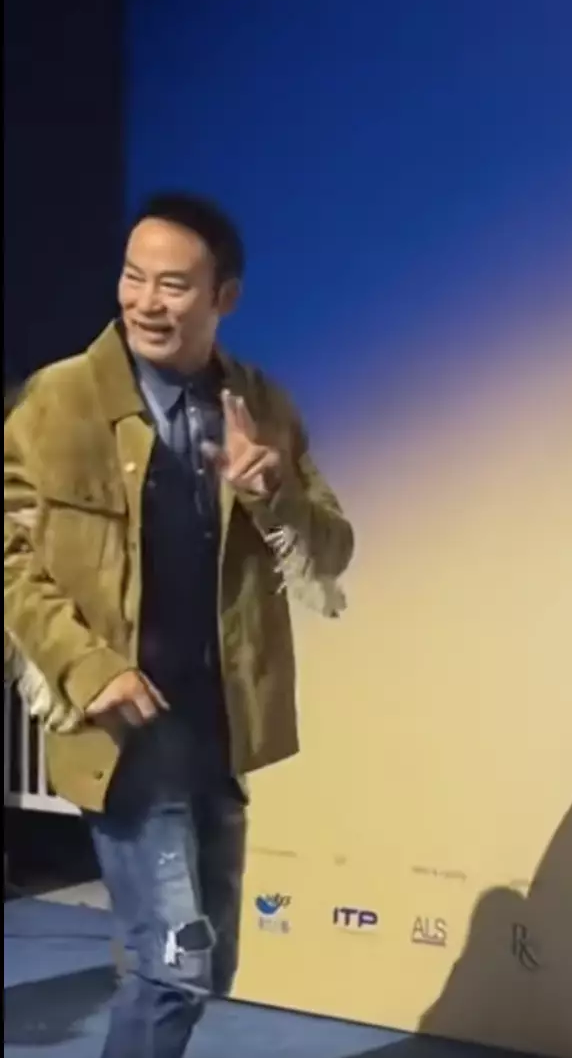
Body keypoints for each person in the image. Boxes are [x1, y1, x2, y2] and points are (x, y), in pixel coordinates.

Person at [3, 192, 354, 1058]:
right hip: (123, 736)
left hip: (216, 730)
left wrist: (270, 490)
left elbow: (333, 548)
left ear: (223, 296)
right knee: (173, 966)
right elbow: (9, 553)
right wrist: (87, 666)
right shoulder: (59, 400)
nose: (145, 302)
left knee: (208, 963)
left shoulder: (259, 405)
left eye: (172, 284)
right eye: (133, 277)